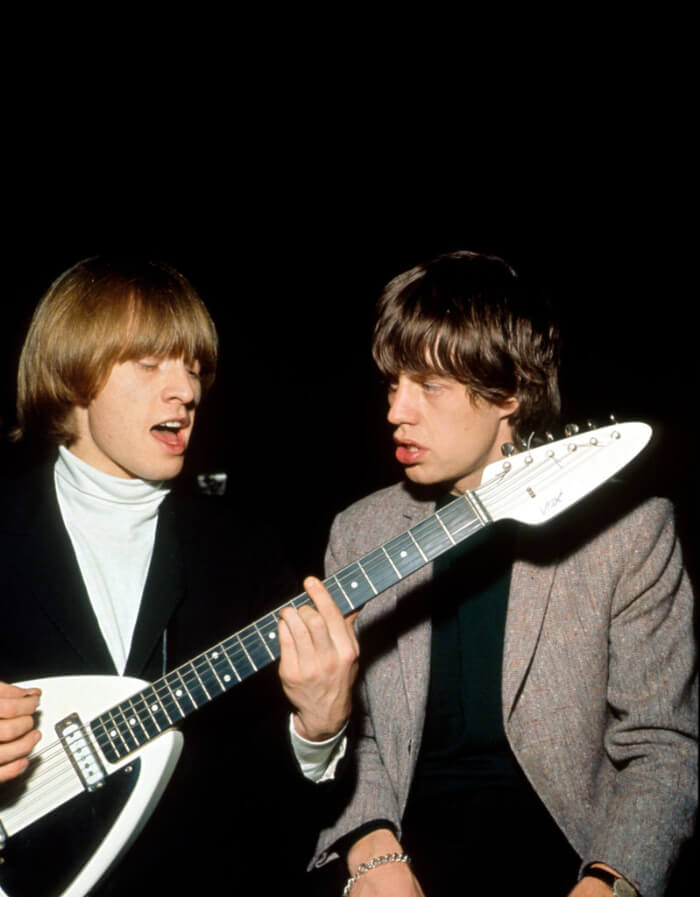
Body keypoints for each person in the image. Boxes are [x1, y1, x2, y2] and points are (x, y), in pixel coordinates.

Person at [295, 251, 697, 897]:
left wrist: (610, 880)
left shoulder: (629, 532)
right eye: (392, 384)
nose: (396, 410)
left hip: (572, 858)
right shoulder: (361, 530)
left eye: (429, 385)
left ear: (509, 392)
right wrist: (370, 848)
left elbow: (661, 749)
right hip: (402, 857)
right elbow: (356, 733)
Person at [0, 256, 358, 896]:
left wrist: (317, 730)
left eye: (193, 368)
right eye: (150, 364)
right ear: (74, 375)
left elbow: (273, 817)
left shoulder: (242, 551)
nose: (186, 391)